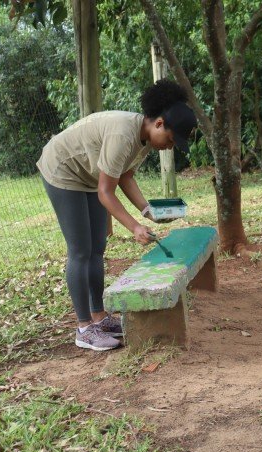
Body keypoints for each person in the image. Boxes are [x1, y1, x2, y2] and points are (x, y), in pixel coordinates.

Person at [37, 80, 197, 351]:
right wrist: (135, 227)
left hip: (88, 175)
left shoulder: (144, 140)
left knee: (97, 247)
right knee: (80, 250)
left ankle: (99, 317)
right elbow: (106, 192)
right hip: (63, 170)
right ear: (158, 124)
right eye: (170, 140)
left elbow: (125, 175)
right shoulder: (123, 134)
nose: (170, 147)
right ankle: (84, 328)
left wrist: (147, 211)